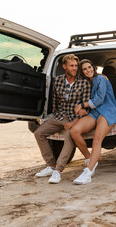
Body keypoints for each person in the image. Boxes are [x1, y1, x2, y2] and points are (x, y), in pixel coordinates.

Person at [34, 54, 91, 184]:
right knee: (39, 133)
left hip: (75, 118)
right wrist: (58, 117)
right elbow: (55, 102)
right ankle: (51, 165)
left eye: (76, 66)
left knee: (70, 136)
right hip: (59, 116)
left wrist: (73, 122)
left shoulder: (84, 83)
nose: (75, 68)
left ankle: (58, 171)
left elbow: (85, 107)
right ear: (64, 66)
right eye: (71, 66)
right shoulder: (58, 81)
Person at [69, 59, 116, 185]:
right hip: (94, 112)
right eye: (85, 69)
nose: (88, 70)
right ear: (82, 72)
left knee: (97, 138)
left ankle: (88, 172)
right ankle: (90, 159)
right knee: (74, 131)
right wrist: (83, 110)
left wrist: (81, 105)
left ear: (94, 67)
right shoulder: (85, 83)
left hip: (107, 110)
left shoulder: (101, 79)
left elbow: (99, 99)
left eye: (89, 67)